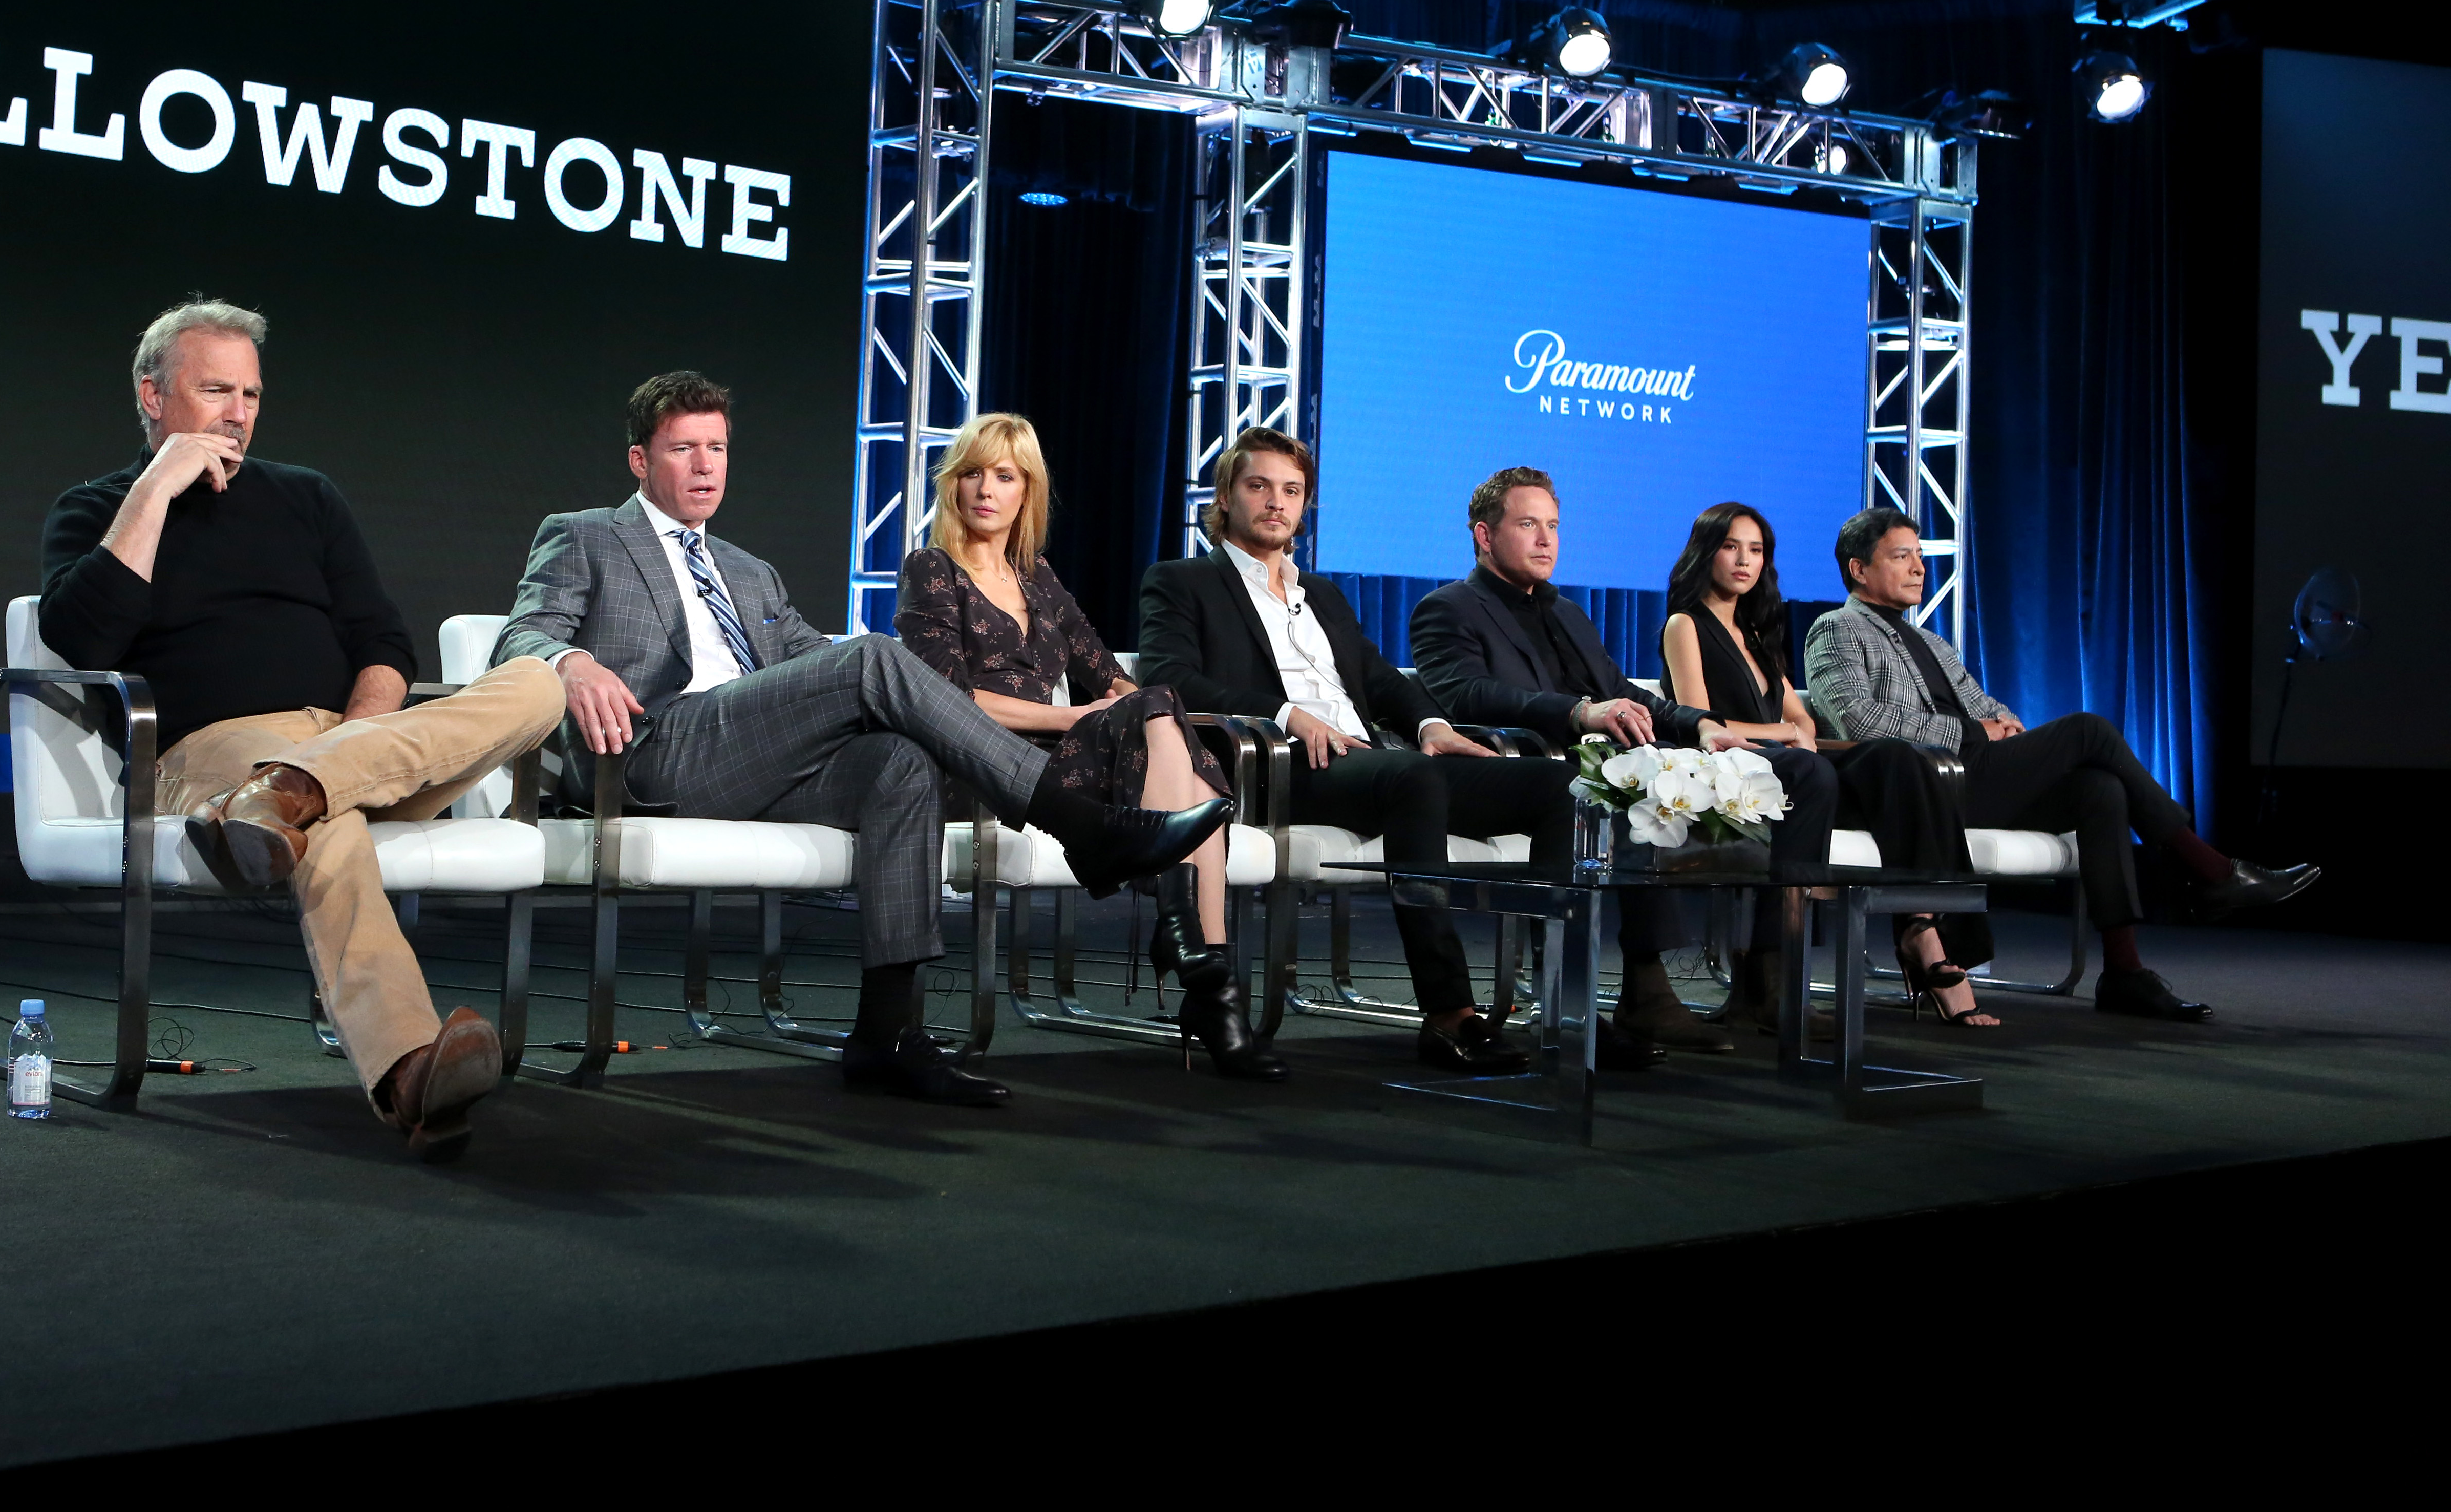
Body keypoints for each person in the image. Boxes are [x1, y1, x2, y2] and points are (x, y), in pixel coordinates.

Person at [493, 373, 1230, 1108]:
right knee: (872, 654)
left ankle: (887, 1031)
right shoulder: (586, 534)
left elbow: (814, 662)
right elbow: (519, 635)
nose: (705, 464)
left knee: (899, 762)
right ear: (640, 460)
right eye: (683, 448)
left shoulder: (750, 572)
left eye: (716, 447)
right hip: (655, 753)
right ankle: (1080, 820)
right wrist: (573, 660)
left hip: (756, 760)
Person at [38, 299, 566, 1162]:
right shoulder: (96, 507)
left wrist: (351, 747)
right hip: (209, 750)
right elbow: (82, 640)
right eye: (215, 389)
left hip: (353, 745)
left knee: (540, 683)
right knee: (329, 830)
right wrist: (156, 488)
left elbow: (383, 643)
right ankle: (411, 1071)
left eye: (250, 392)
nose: (238, 411)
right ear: (153, 396)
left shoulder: (306, 496)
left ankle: (295, 789)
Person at [1136, 429, 1639, 1073]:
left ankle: (1564, 1000)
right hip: (1281, 765)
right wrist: (1290, 714)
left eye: (1291, 491)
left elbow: (1378, 680)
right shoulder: (1182, 581)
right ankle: (1450, 1012)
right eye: (1257, 486)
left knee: (1559, 784)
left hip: (1376, 765)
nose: (1275, 502)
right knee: (1412, 778)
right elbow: (1170, 678)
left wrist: (1430, 724)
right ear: (1226, 498)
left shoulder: (1320, 593)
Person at [1805, 507, 2320, 1023]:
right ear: (1858, 569)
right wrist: (1970, 732)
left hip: (1981, 776)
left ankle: (2124, 971)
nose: (1919, 568)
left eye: (1919, 556)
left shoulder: (1933, 643)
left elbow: (1988, 706)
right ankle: (2212, 871)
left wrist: (2002, 725)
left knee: (2099, 790)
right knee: (2087, 730)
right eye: (1902, 557)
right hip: (1923, 789)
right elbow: (1857, 721)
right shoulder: (1835, 629)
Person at [895, 414, 1285, 1081]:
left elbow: (1107, 670)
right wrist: (1082, 711)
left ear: (1027, 492)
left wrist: (1139, 711)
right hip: (980, 765)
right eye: (973, 473)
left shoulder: (1036, 577)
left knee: (1158, 706)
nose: (986, 489)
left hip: (1057, 762)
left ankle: (1201, 964)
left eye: (1005, 476)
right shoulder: (932, 568)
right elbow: (946, 696)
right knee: (1159, 715)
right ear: (952, 485)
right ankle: (1210, 981)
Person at [1411, 469, 1839, 1051]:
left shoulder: (1568, 614)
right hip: (1536, 773)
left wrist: (1703, 727)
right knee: (1630, 784)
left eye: (1553, 527)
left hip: (1621, 758)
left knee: (1806, 772)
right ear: (1484, 537)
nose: (1546, 540)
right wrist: (1580, 712)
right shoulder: (1448, 608)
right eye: (1528, 525)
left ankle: (1769, 974)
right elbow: (1466, 694)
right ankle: (1646, 988)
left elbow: (1628, 693)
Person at [1660, 501, 1998, 1028]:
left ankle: (1932, 929)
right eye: (1731, 547)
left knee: (1894, 756)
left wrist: (1792, 732)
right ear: (1705, 553)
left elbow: (1807, 725)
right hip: (1730, 771)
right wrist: (1784, 732)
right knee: (1820, 771)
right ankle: (1779, 978)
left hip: (1789, 766)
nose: (1744, 561)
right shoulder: (1685, 624)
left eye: (1756, 551)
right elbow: (1699, 718)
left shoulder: (1757, 636)